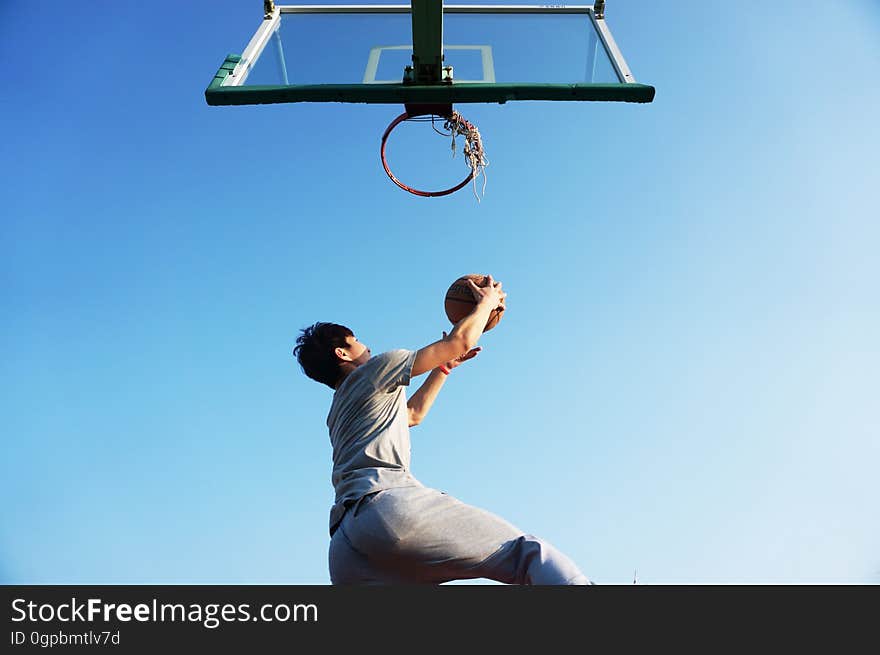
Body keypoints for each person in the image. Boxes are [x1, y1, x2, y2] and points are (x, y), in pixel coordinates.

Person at [293, 275, 590, 585]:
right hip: (387, 508)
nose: (367, 348)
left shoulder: (339, 411)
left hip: (345, 547)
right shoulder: (375, 370)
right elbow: (458, 341)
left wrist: (444, 367)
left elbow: (412, 414)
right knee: (525, 553)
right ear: (342, 353)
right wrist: (487, 303)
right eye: (358, 343)